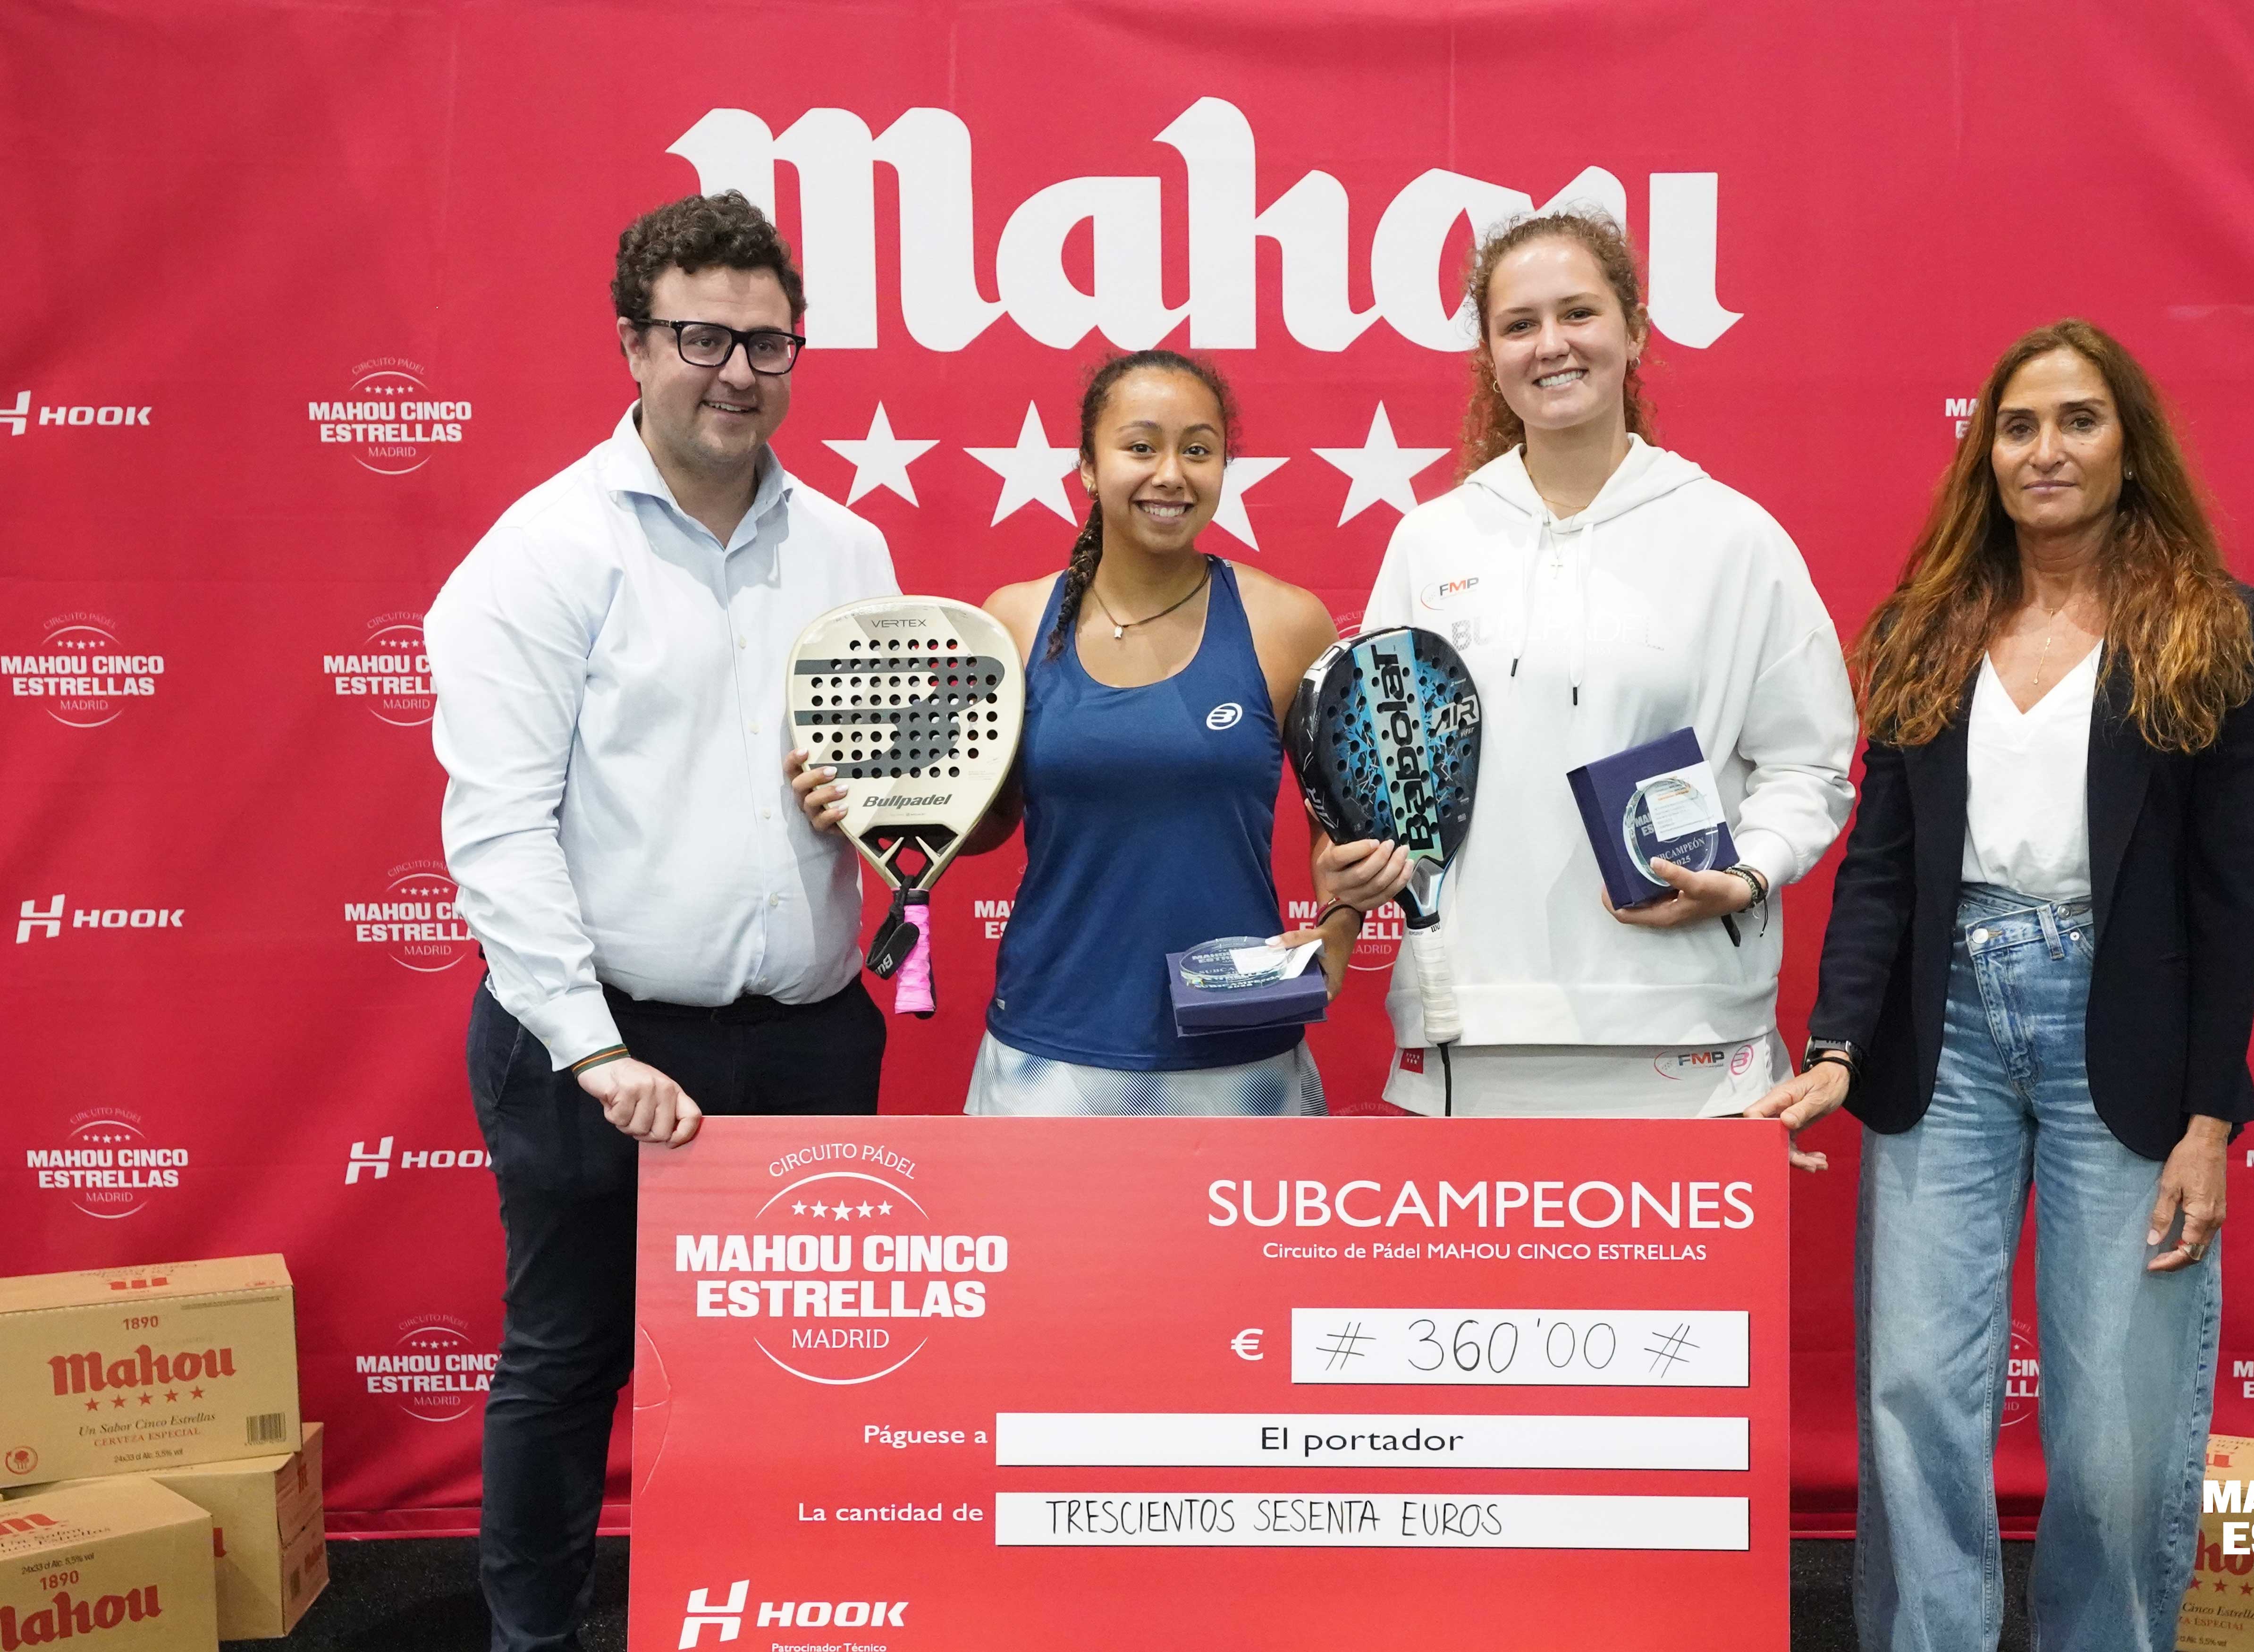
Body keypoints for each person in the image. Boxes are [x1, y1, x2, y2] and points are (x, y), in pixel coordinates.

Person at [1749, 318, 2254, 1651]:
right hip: (1947, 1030)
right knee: (1917, 1391)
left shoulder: (2208, 624)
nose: (2047, 449)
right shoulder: (1925, 625)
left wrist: (2211, 1116)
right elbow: (1881, 862)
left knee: (2114, 1423)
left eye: (2079, 420)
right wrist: (1838, 1043)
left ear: (2129, 447)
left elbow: (2230, 888)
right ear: (1985, 453)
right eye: (2019, 425)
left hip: (2129, 1029)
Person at [424, 191, 898, 1652]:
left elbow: (900, 780)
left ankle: (773, 1619)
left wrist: (874, 804)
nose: (737, 372)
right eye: (702, 337)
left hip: (809, 1039)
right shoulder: (544, 552)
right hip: (602, 1044)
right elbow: (499, 829)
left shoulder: (852, 552)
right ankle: (534, 1638)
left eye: (768, 342)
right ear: (634, 345)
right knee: (569, 1360)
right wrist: (589, 1047)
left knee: (795, 1370)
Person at [1351, 210, 1856, 1117]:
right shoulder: (1430, 542)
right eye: (1520, 325)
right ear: (1491, 356)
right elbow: (1393, 782)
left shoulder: (1733, 537)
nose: (1552, 345)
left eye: (1578, 313)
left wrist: (1748, 872)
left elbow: (1807, 765)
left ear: (1635, 331)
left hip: (1691, 1030)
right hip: (1475, 1027)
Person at [793, 349, 1393, 1113]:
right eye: (1141, 447)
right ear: (1087, 465)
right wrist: (875, 803)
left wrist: (1338, 930)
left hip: (1240, 1051)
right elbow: (984, 822)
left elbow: (1342, 829)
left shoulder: (1288, 622)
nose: (1171, 474)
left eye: (1198, 450)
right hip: (1049, 1050)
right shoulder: (1012, 621)